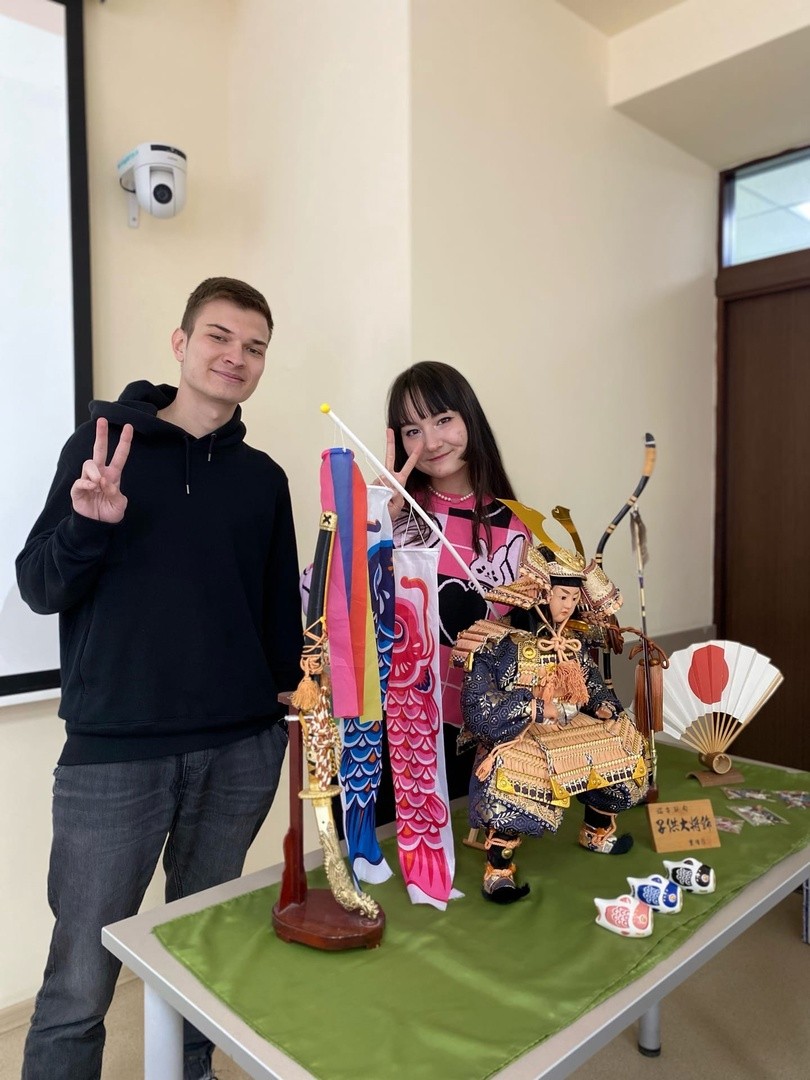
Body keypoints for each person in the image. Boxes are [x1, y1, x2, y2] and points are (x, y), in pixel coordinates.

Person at [16, 277, 303, 1080]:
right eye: (219, 336)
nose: (236, 356)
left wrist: (292, 700)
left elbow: (277, 614)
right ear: (181, 344)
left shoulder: (264, 479)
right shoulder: (104, 446)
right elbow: (39, 586)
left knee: (200, 957)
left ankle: (191, 1070)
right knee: (80, 979)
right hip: (116, 755)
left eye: (254, 347)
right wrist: (87, 524)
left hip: (240, 752)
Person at [452, 540, 649, 903]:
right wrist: (533, 708)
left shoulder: (569, 639)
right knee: (517, 774)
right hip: (519, 731)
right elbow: (478, 706)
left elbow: (590, 683)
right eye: (562, 596)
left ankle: (596, 831)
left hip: (566, 726)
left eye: (573, 598)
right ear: (541, 593)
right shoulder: (497, 642)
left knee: (622, 743)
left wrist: (603, 705)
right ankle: (499, 869)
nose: (568, 605)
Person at [379, 361, 531, 811]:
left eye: (443, 420)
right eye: (412, 430)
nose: (430, 442)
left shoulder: (515, 525)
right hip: (394, 732)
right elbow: (325, 599)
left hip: (481, 735)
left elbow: (527, 641)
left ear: (470, 418)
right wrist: (370, 521)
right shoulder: (391, 515)